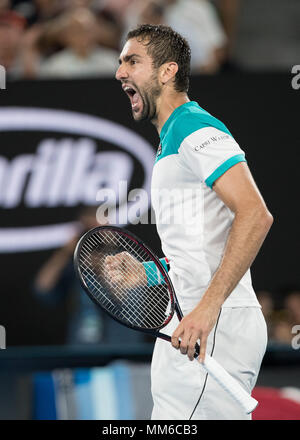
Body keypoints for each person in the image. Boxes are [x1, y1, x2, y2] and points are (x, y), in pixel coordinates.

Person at [110, 24, 273, 420]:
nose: (120, 73)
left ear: (167, 71)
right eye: (119, 62)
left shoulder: (192, 126)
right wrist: (147, 274)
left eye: (132, 61)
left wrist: (206, 309)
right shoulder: (171, 140)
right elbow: (197, 251)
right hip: (194, 324)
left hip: (210, 326)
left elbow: (255, 214)